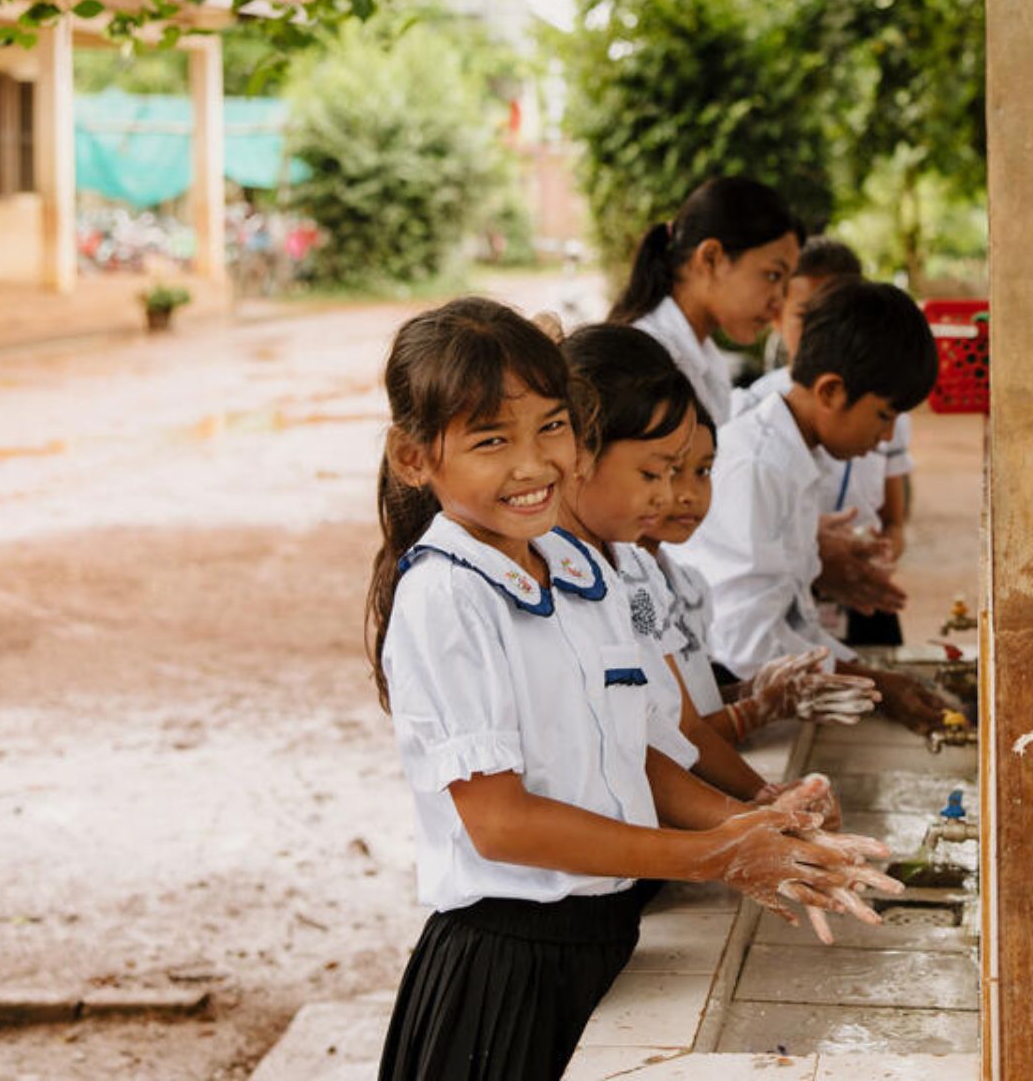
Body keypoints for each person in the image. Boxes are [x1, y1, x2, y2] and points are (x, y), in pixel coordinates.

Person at [366, 298, 896, 1080]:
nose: (533, 463)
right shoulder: (447, 597)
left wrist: (758, 824)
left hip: (599, 936)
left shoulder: (579, 571)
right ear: (415, 459)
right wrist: (714, 854)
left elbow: (636, 753)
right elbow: (502, 823)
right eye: (490, 441)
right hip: (506, 965)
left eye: (550, 427)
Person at [554, 323, 875, 815]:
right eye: (652, 473)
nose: (670, 495)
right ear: (579, 456)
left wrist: (767, 802)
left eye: (695, 471)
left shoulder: (636, 568)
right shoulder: (546, 587)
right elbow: (637, 754)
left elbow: (681, 727)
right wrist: (744, 819)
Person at [671, 278, 957, 735]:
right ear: (830, 392)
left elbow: (793, 618)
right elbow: (749, 644)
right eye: (883, 416)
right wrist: (872, 681)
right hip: (713, 696)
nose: (886, 438)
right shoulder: (759, 468)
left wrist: (869, 676)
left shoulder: (794, 457)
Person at [639, 404, 880, 742]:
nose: (688, 495)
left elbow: (691, 709)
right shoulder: (629, 595)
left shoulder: (687, 584)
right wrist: (757, 709)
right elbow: (672, 745)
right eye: (666, 472)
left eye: (704, 472)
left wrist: (751, 691)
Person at [735, 238, 912, 646]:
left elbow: (895, 517)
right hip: (793, 593)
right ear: (777, 317)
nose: (885, 434)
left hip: (858, 592)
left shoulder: (884, 401)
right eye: (810, 316)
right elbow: (746, 641)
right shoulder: (752, 419)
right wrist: (812, 553)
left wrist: (880, 554)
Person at [610, 177, 804, 427]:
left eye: (786, 284)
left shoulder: (705, 358)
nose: (779, 301)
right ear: (711, 258)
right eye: (772, 275)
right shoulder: (646, 363)